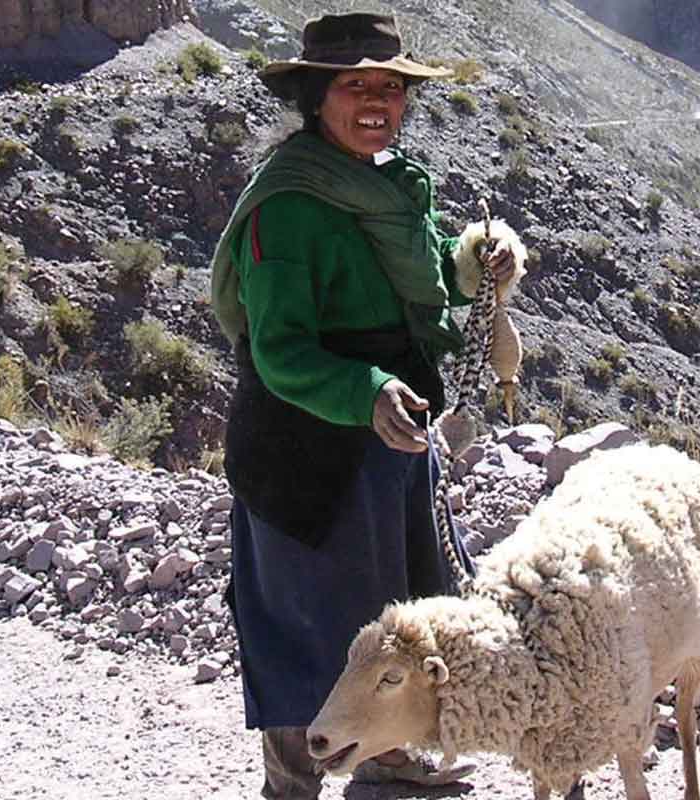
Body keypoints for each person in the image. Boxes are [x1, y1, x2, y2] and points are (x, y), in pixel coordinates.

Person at [206, 12, 522, 799]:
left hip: (388, 435)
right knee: (308, 620)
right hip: (303, 447)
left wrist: (475, 262)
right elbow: (281, 349)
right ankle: (292, 783)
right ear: (317, 98)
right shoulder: (287, 207)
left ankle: (387, 758)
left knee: (391, 610)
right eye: (356, 85)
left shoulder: (389, 184)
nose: (377, 101)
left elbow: (423, 282)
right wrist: (367, 389)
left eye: (390, 86)